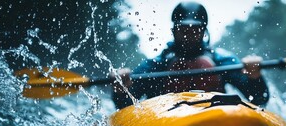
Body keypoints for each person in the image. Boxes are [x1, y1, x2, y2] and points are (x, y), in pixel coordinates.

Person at [112, 1, 270, 109]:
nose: (189, 34)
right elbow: (125, 106)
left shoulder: (222, 61)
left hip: (215, 118)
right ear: (174, 31)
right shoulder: (156, 65)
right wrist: (120, 90)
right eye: (184, 29)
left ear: (204, 32)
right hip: (166, 120)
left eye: (195, 30)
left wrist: (255, 77)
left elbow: (259, 99)